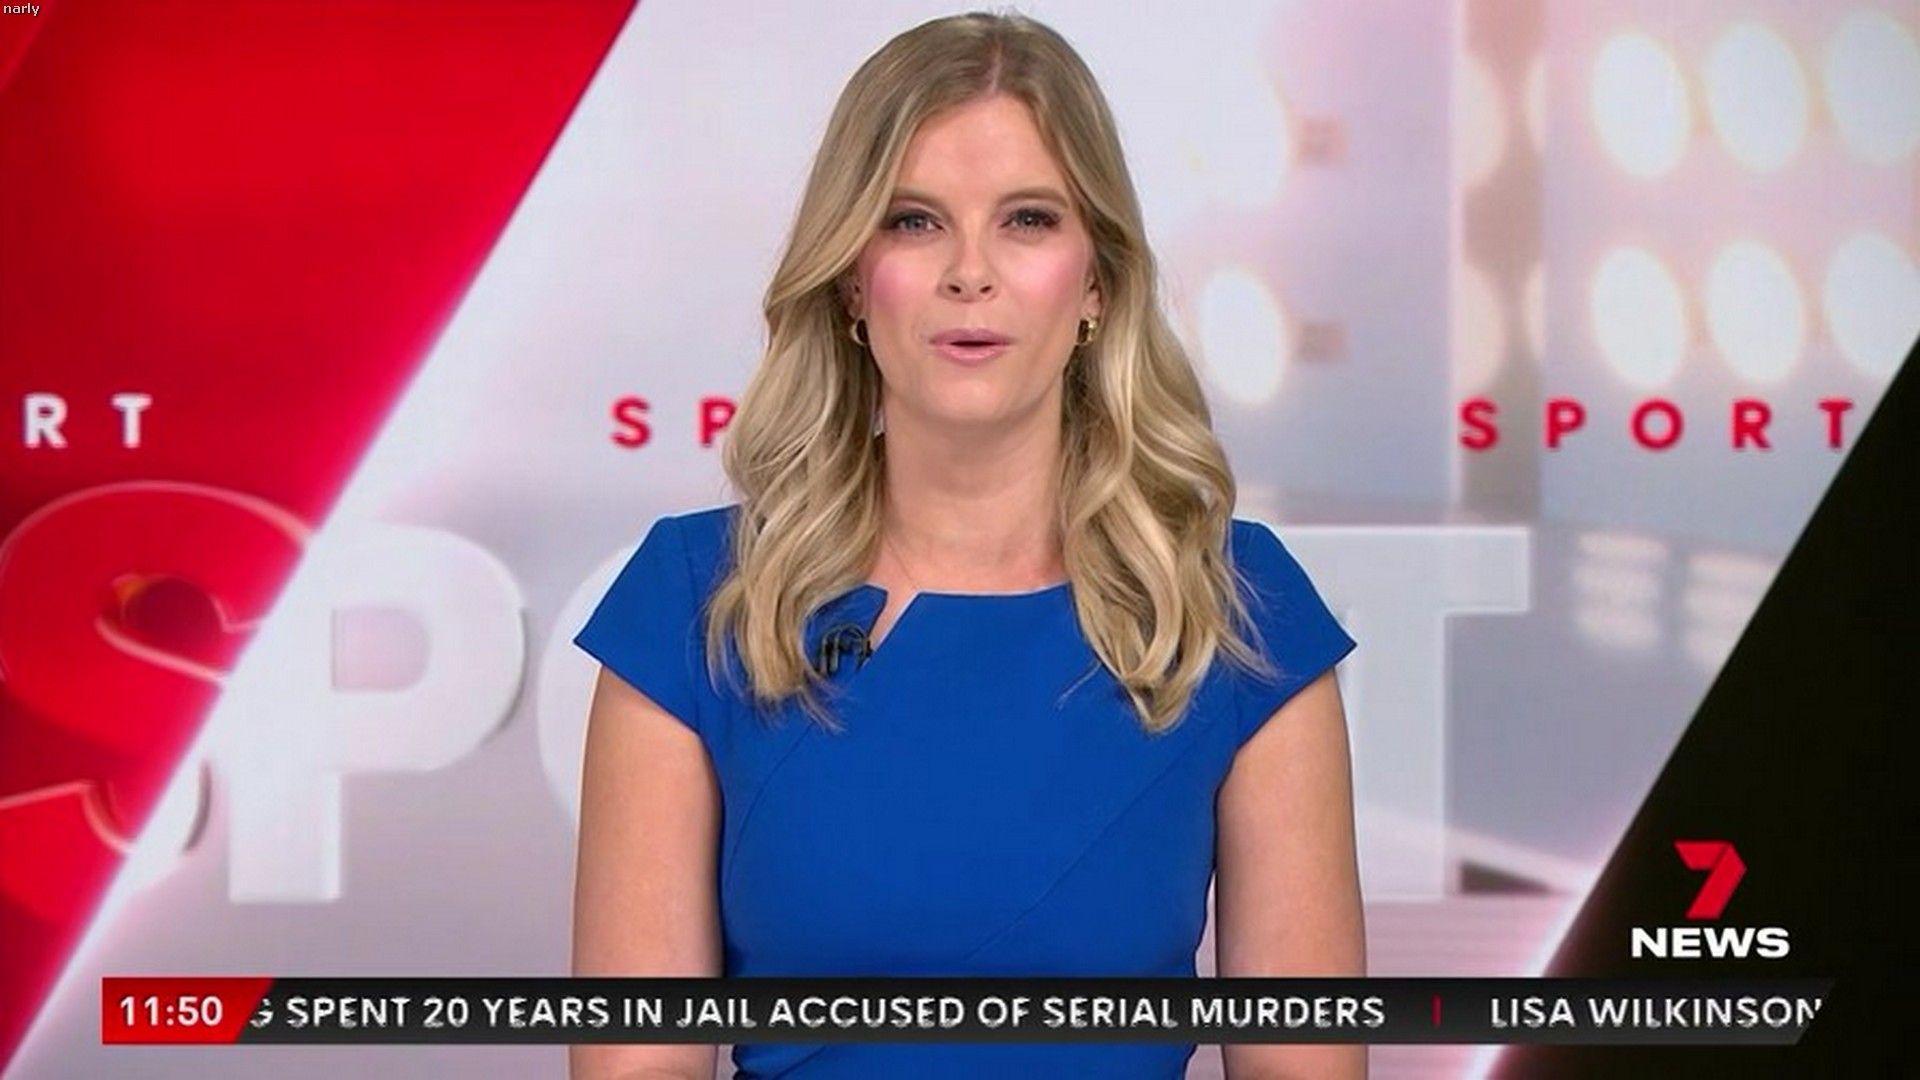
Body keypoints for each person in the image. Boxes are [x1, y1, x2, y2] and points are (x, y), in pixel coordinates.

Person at [570, 10, 1363, 1079]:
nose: (970, 272)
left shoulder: (1237, 606)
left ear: (1096, 281)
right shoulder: (694, 600)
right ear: (852, 281)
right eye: (913, 222)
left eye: (1028, 219)